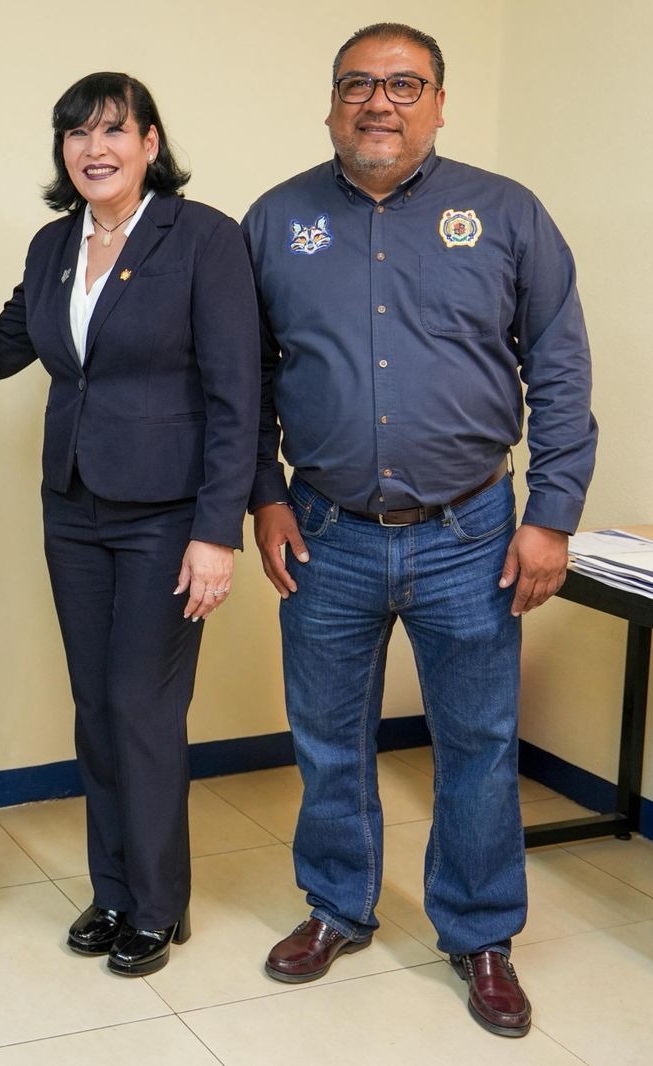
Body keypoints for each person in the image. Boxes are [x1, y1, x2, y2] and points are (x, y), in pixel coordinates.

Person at [242, 22, 597, 1038]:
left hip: (471, 535)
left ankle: (480, 934)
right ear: (330, 104)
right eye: (358, 83)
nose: (379, 102)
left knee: (477, 743)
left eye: (404, 84)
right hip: (325, 532)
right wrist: (264, 495)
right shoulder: (275, 220)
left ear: (440, 103)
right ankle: (336, 907)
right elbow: (241, 379)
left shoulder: (507, 214)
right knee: (327, 738)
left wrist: (551, 516)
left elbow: (560, 369)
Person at [0, 72, 259, 977]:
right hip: (72, 506)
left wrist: (217, 532)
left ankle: (159, 903)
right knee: (97, 707)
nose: (93, 149)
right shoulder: (52, 245)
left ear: (149, 143)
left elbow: (238, 395)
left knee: (143, 708)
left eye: (113, 131)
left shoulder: (203, 238)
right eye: (77, 133)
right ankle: (111, 892)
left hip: (167, 519)